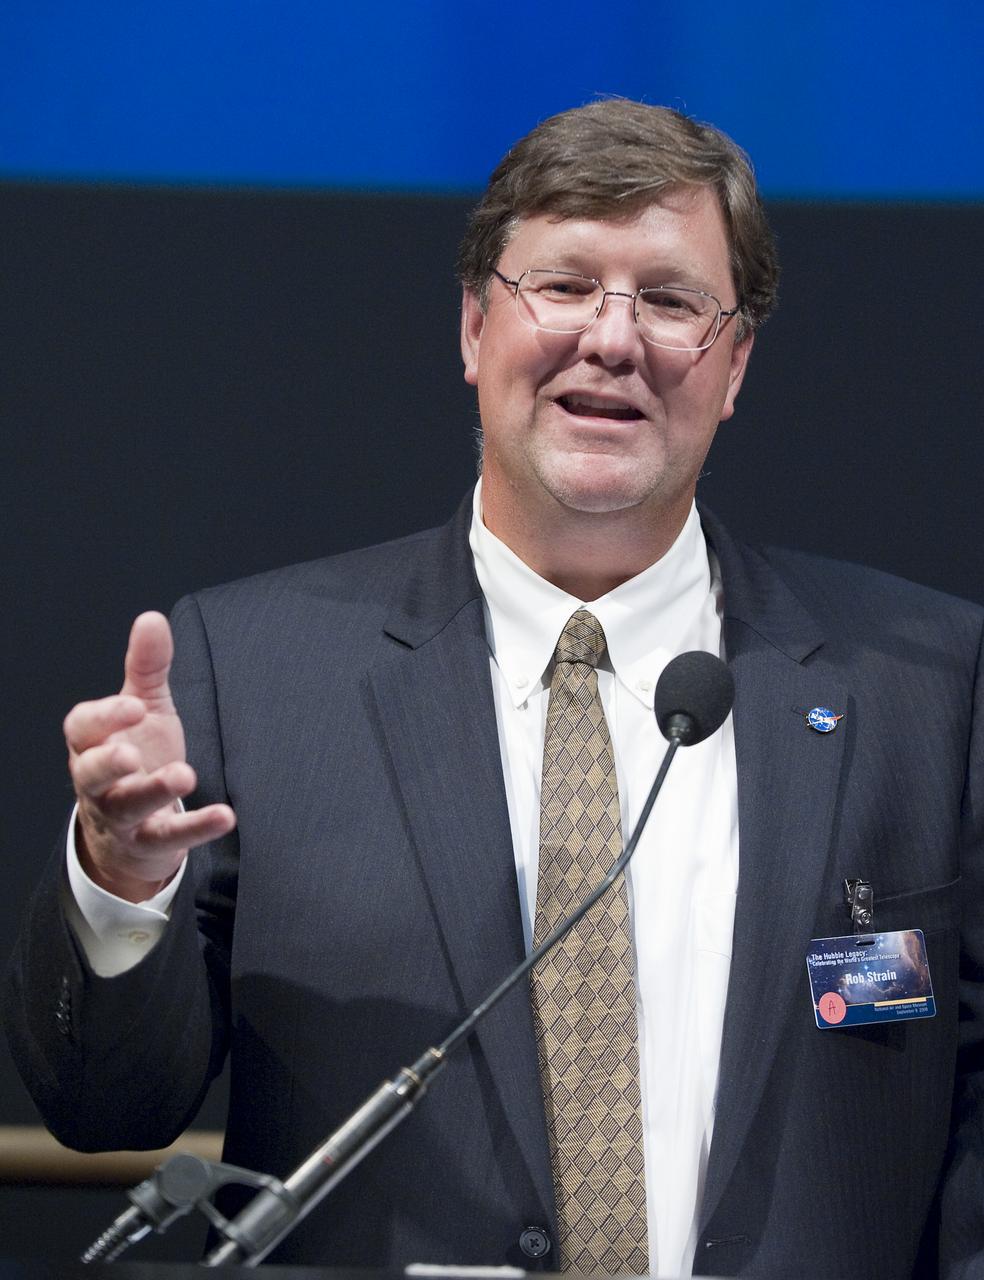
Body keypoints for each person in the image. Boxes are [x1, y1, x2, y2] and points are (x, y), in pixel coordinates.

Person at [5, 100, 984, 1278]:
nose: (614, 340)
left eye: (671, 301)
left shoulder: (927, 686)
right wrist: (122, 881)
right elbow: (108, 1109)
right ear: (474, 328)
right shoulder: (256, 672)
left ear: (734, 366)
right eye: (564, 285)